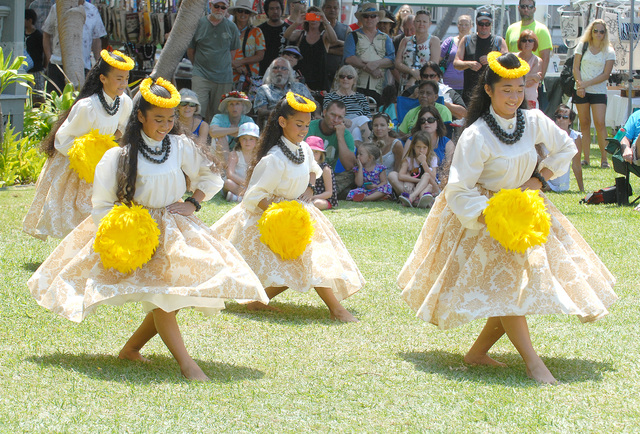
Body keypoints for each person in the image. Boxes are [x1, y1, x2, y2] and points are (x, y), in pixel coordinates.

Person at [27, 77, 268, 382]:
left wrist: (194, 202)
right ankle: (187, 365)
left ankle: (131, 349)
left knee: (172, 297)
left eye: (170, 119)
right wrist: (123, 236)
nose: (166, 125)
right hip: (136, 232)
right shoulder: (118, 156)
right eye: (158, 119)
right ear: (140, 116)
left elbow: (211, 176)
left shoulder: (180, 146)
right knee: (164, 299)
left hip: (174, 229)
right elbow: (102, 204)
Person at [397, 52, 617, 384]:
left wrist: (537, 179)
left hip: (524, 208)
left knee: (513, 287)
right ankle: (532, 363)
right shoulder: (476, 134)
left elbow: (566, 148)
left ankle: (477, 354)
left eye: (518, 89)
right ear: (489, 90)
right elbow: (457, 189)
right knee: (511, 287)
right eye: (506, 90)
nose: (514, 97)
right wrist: (491, 215)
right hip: (485, 215)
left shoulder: (533, 120)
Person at [212, 92, 364, 322]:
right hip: (274, 217)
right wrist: (277, 215)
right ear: (282, 122)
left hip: (299, 213)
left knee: (301, 263)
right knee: (304, 259)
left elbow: (315, 168)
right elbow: (253, 195)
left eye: (306, 124)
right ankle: (336, 309)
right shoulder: (273, 159)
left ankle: (257, 301)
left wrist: (311, 188)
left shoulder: (303, 148)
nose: (303, 130)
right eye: (298, 124)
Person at [23, 50, 135, 241]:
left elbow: (123, 129)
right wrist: (87, 151)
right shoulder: (87, 107)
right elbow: (62, 139)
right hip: (76, 164)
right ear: (103, 78)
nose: (124, 84)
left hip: (104, 161)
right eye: (119, 78)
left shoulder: (124, 102)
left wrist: (108, 141)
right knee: (80, 209)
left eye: (126, 78)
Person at [573, 19, 616, 168]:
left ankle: (604, 159)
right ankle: (586, 158)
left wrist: (587, 84)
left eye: (601, 31)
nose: (598, 34)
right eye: (595, 31)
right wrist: (580, 85)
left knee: (600, 123)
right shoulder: (582, 45)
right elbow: (575, 67)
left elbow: (606, 74)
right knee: (584, 124)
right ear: (591, 32)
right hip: (581, 89)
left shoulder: (609, 51)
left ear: (605, 34)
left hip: (598, 90)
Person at [188, 0, 240, 122]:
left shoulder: (231, 27)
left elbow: (232, 51)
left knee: (220, 114)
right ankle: (195, 140)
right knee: (197, 111)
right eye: (217, 6)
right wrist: (198, 67)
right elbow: (191, 50)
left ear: (227, 9)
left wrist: (222, 65)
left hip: (223, 77)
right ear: (210, 6)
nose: (219, 10)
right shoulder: (199, 24)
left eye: (223, 7)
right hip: (201, 74)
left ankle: (215, 140)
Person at [42, 0, 107, 94]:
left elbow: (96, 40)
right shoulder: (57, 8)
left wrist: (99, 65)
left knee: (78, 101)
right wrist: (48, 58)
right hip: (58, 64)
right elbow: (46, 34)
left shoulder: (93, 10)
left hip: (83, 66)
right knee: (54, 103)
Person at [344, 2, 395, 103]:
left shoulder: (385, 38)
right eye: (366, 16)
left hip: (379, 87)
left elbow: (392, 59)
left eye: (373, 16)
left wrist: (376, 64)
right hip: (355, 85)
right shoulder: (353, 35)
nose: (369, 19)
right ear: (361, 18)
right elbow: (349, 58)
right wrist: (370, 69)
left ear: (378, 18)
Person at [505, 0, 553, 108]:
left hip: (533, 86)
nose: (526, 9)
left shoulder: (542, 30)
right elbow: (507, 54)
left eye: (529, 7)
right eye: (523, 6)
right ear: (518, 8)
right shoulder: (511, 29)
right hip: (513, 84)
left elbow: (545, 58)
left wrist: (539, 80)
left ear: (534, 9)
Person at [306, 99, 357, 199]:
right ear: (324, 113)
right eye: (333, 115)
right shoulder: (309, 127)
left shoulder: (345, 134)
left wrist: (340, 136)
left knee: (353, 173)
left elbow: (349, 166)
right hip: (307, 173)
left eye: (340, 117)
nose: (336, 120)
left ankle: (326, 193)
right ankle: (336, 194)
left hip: (327, 177)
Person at [453, 10, 507, 104]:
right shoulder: (467, 40)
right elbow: (456, 63)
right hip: (471, 92)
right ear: (476, 24)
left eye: (487, 24)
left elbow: (507, 61)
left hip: (492, 91)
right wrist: (469, 64)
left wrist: (491, 59)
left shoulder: (499, 41)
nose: (484, 27)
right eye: (481, 24)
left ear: (491, 24)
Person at [283, 6, 338, 91]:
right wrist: (297, 23)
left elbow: (334, 40)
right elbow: (287, 35)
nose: (313, 19)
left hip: (320, 80)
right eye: (311, 16)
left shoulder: (324, 35)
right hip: (302, 79)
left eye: (316, 16)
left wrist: (325, 21)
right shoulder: (301, 34)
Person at [404, 106, 455, 189]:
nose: (426, 123)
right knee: (393, 176)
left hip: (436, 183)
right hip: (413, 180)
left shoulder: (447, 143)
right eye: (422, 120)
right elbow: (404, 165)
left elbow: (450, 170)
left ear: (437, 122)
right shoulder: (411, 141)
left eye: (430, 120)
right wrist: (409, 181)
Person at [254, 57, 315, 125]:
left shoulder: (300, 87)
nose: (279, 70)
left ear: (289, 72)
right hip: (276, 123)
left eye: (283, 68)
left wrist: (317, 114)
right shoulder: (263, 89)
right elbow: (261, 111)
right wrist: (281, 113)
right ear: (270, 72)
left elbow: (314, 104)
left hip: (302, 122)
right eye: (275, 68)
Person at [323, 65, 371, 143]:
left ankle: (357, 151)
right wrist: (343, 119)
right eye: (342, 76)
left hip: (359, 126)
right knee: (362, 119)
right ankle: (370, 149)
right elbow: (326, 114)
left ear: (354, 81)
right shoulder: (330, 96)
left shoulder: (360, 97)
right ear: (338, 79)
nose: (345, 79)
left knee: (356, 131)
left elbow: (369, 117)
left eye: (349, 77)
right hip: (339, 124)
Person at [395, 9, 440, 90]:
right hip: (405, 84)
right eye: (418, 21)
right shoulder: (405, 41)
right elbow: (397, 63)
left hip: (426, 84)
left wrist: (414, 78)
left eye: (424, 22)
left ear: (430, 24)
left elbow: (434, 65)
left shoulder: (434, 40)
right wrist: (411, 71)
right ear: (414, 23)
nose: (421, 24)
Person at [545, 104, 584, 192]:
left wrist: (581, 189)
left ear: (570, 121)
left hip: (562, 184)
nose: (561, 119)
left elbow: (576, 165)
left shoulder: (575, 137)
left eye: (565, 117)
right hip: (546, 178)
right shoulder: (548, 134)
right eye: (559, 116)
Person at [396, 131, 439, 208]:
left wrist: (424, 163)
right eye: (418, 147)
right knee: (392, 175)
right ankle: (421, 200)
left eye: (424, 147)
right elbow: (401, 176)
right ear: (413, 146)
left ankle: (413, 197)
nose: (421, 150)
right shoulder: (409, 159)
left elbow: (433, 179)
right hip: (415, 186)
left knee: (427, 177)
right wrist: (419, 181)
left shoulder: (432, 158)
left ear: (429, 148)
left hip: (430, 185)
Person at [230, 0, 265, 86]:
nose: (243, 14)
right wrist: (235, 65)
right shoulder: (227, 30)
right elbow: (221, 51)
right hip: (228, 76)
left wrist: (240, 62)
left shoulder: (256, 31)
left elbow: (260, 55)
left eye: (246, 12)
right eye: (240, 11)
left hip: (249, 78)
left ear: (249, 14)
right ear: (235, 12)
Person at [224, 122, 260, 202]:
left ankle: (238, 198)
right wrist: (245, 183)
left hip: (251, 186)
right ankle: (247, 198)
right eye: (244, 138)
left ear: (257, 141)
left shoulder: (258, 156)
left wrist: (251, 185)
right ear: (239, 140)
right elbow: (230, 174)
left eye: (251, 139)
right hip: (237, 184)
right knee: (228, 183)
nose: (248, 142)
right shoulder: (235, 154)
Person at [440, 15, 472, 96]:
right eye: (461, 24)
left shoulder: (474, 43)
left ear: (471, 26)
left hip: (468, 85)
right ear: (457, 25)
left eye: (466, 25)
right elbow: (437, 59)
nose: (463, 27)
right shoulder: (449, 41)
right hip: (448, 85)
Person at [322, 0, 351, 86]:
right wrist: (340, 44)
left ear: (339, 10)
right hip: (320, 74)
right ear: (323, 9)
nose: (332, 10)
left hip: (340, 76)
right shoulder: (317, 27)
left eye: (335, 8)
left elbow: (348, 51)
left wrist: (327, 49)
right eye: (329, 7)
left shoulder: (346, 29)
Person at [258, 0, 290, 76]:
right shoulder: (259, 30)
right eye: (271, 9)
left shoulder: (289, 29)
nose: (275, 11)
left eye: (277, 8)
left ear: (281, 10)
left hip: (284, 73)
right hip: (263, 72)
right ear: (267, 11)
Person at [307, 135, 338, 210]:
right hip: (307, 196)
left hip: (323, 199)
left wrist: (312, 197)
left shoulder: (325, 169)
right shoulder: (303, 167)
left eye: (316, 152)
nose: (313, 155)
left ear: (321, 154)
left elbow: (329, 193)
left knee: (316, 203)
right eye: (310, 152)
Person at [371, 112, 403, 180]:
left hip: (390, 181)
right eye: (375, 125)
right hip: (372, 180)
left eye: (382, 125)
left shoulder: (396, 144)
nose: (378, 128)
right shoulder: (370, 144)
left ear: (389, 127)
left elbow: (398, 169)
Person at [516, 30, 542, 110]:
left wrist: (518, 76)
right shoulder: (514, 58)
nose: (527, 43)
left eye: (530, 40)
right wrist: (533, 76)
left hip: (531, 100)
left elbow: (530, 84)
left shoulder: (537, 60)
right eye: (524, 40)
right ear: (520, 42)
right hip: (515, 99)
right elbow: (510, 78)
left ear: (534, 43)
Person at [25, 9, 46, 96]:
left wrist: (44, 67)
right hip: (25, 70)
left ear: (30, 20)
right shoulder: (22, 34)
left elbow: (44, 52)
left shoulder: (38, 36)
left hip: (36, 70)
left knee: (38, 96)